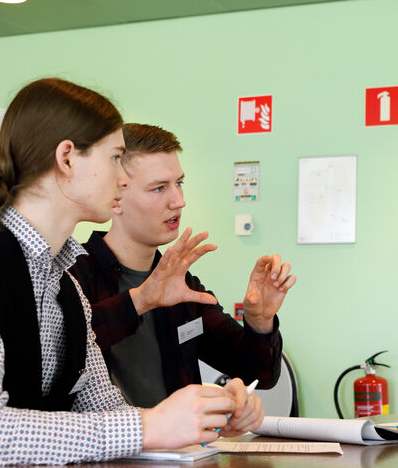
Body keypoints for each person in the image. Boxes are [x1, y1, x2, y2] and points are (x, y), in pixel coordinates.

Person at [0, 78, 257, 468]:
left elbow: (106, 410)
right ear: (67, 158)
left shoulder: (66, 287)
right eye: (116, 157)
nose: (123, 177)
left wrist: (203, 413)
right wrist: (147, 425)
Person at [69, 123, 295, 409]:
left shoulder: (181, 283)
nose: (179, 201)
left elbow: (257, 374)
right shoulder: (73, 274)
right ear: (116, 197)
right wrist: (138, 301)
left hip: (180, 451)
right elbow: (62, 353)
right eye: (159, 188)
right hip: (106, 449)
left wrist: (260, 321)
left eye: (179, 183)